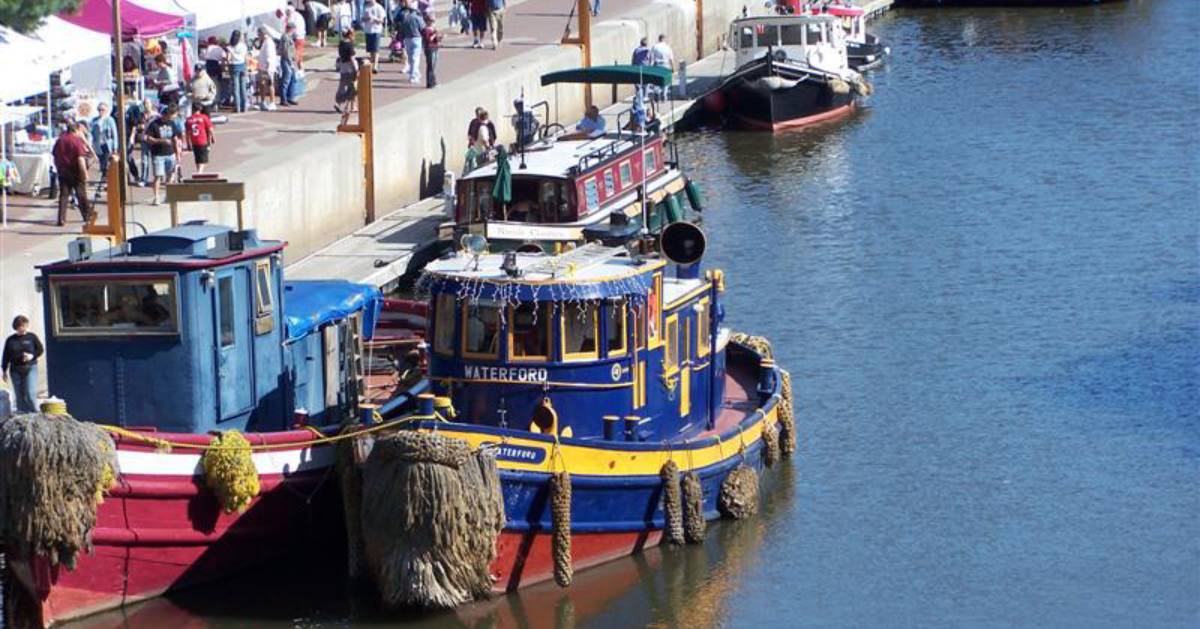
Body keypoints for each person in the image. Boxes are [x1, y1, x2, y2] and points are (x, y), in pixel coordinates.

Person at [50, 122, 93, 225]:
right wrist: (85, 173)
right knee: (81, 194)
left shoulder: (60, 140)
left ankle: (61, 218)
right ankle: (87, 216)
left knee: (64, 195)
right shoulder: (76, 141)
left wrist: (58, 167)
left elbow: (55, 155)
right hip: (75, 170)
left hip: (63, 170)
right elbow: (80, 159)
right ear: (76, 130)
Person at [2, 315, 44, 414]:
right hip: (15, 369)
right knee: (19, 395)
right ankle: (22, 415)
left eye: (24, 326)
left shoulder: (31, 337)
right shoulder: (10, 340)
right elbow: (6, 355)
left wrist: (31, 356)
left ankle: (34, 413)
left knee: (30, 393)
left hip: (30, 367)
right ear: (16, 327)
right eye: (20, 326)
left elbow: (40, 350)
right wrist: (4, 370)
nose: (22, 328)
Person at [146, 106, 181, 205]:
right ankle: (156, 197)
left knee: (170, 175)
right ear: (166, 115)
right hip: (158, 154)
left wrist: (177, 153)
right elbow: (148, 138)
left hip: (170, 154)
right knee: (158, 176)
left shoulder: (172, 123)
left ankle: (168, 195)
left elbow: (175, 138)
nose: (172, 118)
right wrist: (161, 140)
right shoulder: (154, 124)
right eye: (171, 116)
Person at [90, 102, 118, 185]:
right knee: (102, 162)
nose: (101, 112)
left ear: (106, 111)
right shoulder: (94, 120)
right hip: (98, 145)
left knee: (106, 162)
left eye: (102, 110)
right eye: (99, 110)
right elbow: (91, 133)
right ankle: (104, 177)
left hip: (107, 144)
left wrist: (115, 147)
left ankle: (105, 178)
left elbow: (114, 134)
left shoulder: (110, 120)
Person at [397, 1, 424, 84]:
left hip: (407, 39)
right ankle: (413, 76)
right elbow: (422, 28)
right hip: (417, 38)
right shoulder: (418, 18)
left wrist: (401, 37)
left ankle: (416, 73)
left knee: (411, 58)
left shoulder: (405, 19)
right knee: (415, 58)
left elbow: (401, 30)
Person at [185, 105, 215, 174]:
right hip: (202, 140)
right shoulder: (204, 117)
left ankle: (199, 171)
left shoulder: (189, 119)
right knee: (204, 159)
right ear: (200, 109)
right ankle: (199, 172)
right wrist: (213, 138)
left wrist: (188, 143)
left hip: (194, 141)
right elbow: (210, 129)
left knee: (198, 158)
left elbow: (187, 133)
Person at [254, 27, 279, 110]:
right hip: (263, 68)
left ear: (263, 34)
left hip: (267, 68)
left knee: (269, 84)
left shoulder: (268, 43)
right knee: (262, 85)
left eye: (259, 35)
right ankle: (263, 101)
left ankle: (272, 102)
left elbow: (269, 56)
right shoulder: (265, 42)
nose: (258, 37)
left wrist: (268, 69)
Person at [334, 47, 358, 124]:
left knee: (342, 88)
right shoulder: (350, 52)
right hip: (350, 72)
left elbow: (337, 66)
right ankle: (348, 107)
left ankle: (339, 103)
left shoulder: (341, 54)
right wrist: (356, 70)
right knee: (353, 90)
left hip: (343, 72)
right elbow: (353, 60)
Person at [279, 23, 301, 106]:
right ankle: (283, 99)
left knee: (292, 79)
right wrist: (290, 61)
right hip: (286, 61)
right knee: (286, 80)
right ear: (290, 29)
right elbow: (285, 50)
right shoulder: (285, 37)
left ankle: (290, 97)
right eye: (294, 29)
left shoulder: (290, 37)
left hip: (290, 61)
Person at [228, 30, 249, 112]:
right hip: (242, 65)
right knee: (243, 87)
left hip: (234, 66)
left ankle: (237, 107)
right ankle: (244, 107)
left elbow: (228, 58)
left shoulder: (231, 46)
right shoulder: (243, 46)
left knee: (236, 88)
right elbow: (246, 57)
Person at [362, 0, 386, 71]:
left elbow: (382, 20)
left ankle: (375, 65)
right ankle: (372, 64)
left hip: (376, 30)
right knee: (371, 50)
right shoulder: (366, 7)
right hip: (368, 30)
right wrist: (366, 18)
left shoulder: (379, 7)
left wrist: (374, 19)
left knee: (376, 49)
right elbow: (362, 18)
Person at [420, 11, 441, 88]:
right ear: (427, 21)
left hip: (435, 47)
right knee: (430, 65)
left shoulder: (433, 29)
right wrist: (434, 34)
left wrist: (439, 37)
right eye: (432, 21)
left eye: (434, 21)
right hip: (429, 48)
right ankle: (430, 83)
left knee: (434, 65)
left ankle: (433, 82)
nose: (433, 22)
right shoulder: (425, 30)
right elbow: (428, 39)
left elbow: (436, 39)